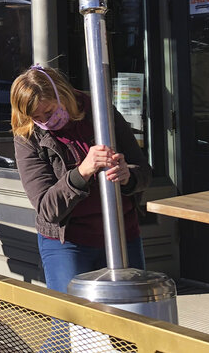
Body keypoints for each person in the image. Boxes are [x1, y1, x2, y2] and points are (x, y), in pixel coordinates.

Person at [12, 64, 151, 293]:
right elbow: (47, 208)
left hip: (121, 233)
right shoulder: (27, 135)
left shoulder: (101, 112)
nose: (45, 121)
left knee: (130, 314)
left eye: (48, 112)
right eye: (36, 117)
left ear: (62, 94)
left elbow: (144, 171)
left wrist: (129, 176)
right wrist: (82, 171)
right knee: (72, 322)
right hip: (67, 242)